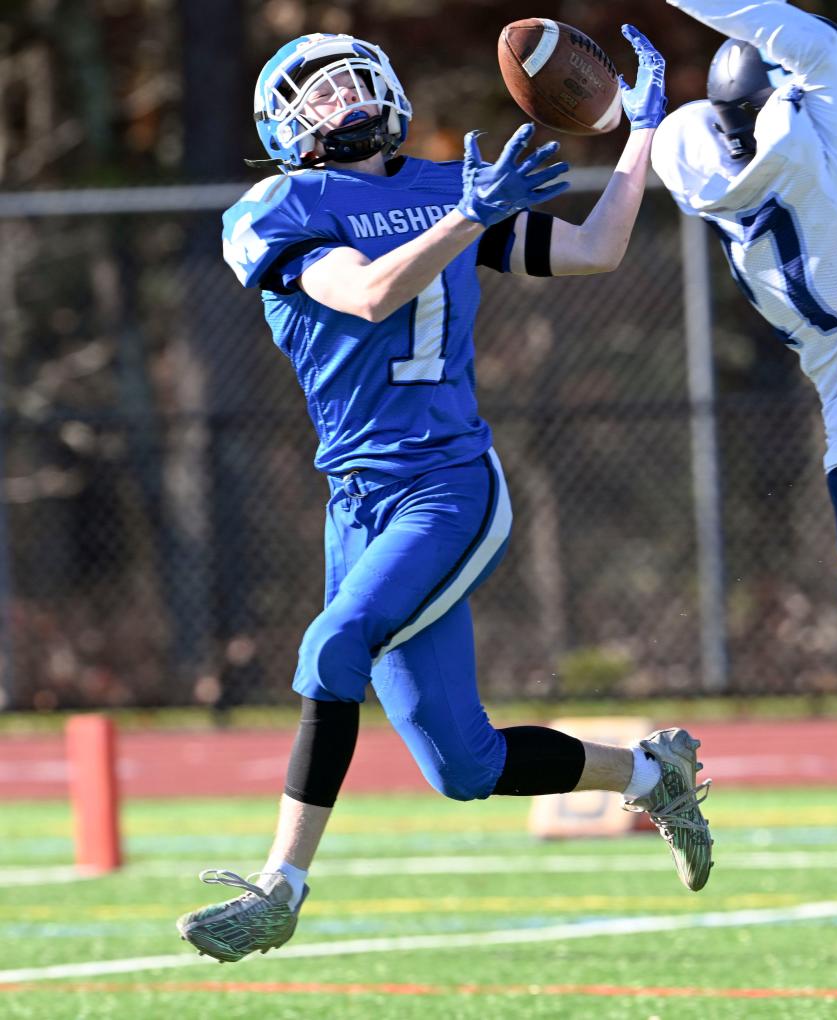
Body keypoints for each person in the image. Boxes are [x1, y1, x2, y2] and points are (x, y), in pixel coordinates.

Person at [176, 25, 714, 965]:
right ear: (284, 121)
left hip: (449, 485)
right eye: (322, 92)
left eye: (353, 83)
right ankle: (652, 773)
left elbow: (592, 249)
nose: (343, 100)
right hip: (357, 501)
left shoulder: (443, 186)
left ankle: (280, 887)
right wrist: (467, 217)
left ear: (386, 89)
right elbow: (369, 294)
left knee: (331, 644)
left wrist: (642, 134)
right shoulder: (277, 204)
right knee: (463, 767)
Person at [649, 2, 837, 1017]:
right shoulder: (836, 156)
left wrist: (630, 115)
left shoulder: (718, 193)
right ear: (794, 101)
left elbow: (677, 143)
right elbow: (788, 28)